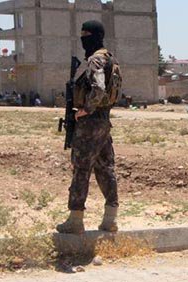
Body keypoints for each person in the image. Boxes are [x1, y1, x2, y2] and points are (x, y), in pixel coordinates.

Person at [56, 20, 122, 235]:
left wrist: (84, 110)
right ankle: (110, 220)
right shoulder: (110, 58)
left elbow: (99, 88)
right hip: (104, 121)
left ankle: (75, 221)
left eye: (85, 35)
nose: (83, 39)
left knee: (81, 168)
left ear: (93, 36)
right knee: (105, 168)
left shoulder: (96, 60)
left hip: (91, 122)